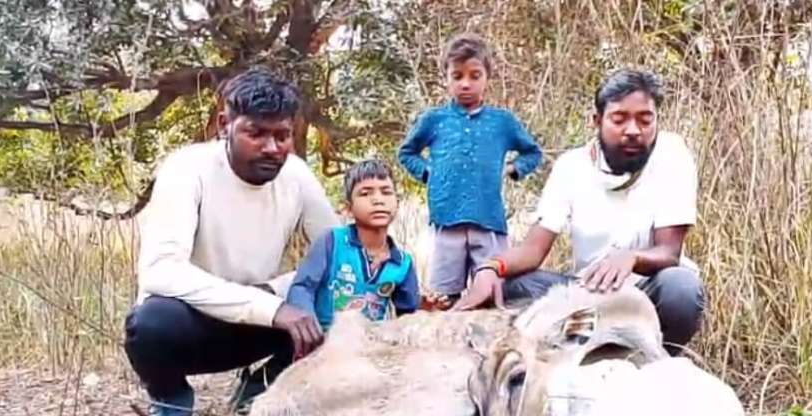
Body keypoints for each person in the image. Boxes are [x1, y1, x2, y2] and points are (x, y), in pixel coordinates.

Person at [123, 67, 339, 416]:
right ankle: (172, 404)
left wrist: (282, 292)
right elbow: (160, 271)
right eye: (256, 133)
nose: (272, 148)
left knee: (339, 301)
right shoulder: (187, 168)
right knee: (149, 323)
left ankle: (264, 387)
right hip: (193, 322)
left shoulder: (296, 175)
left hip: (265, 324)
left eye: (282, 135)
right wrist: (272, 308)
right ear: (225, 125)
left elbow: (338, 254)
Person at [455, 69, 707, 356]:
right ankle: (551, 357)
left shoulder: (672, 154)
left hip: (648, 291)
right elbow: (533, 250)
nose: (633, 130)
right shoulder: (571, 166)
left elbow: (669, 252)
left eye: (645, 120)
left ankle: (656, 360)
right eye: (619, 119)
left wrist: (632, 258)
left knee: (681, 288)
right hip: (589, 293)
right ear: (597, 121)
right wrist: (491, 268)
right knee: (509, 286)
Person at [397, 33, 542, 308]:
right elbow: (406, 152)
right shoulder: (434, 120)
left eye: (475, 76)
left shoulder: (502, 122)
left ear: (487, 77)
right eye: (457, 76)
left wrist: (514, 169)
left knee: (495, 295)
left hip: (489, 222)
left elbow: (533, 153)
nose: (466, 83)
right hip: (446, 222)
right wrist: (427, 172)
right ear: (446, 78)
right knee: (443, 299)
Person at [286, 159, 420, 337]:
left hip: (370, 345)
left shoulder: (402, 264)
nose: (378, 200)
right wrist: (308, 330)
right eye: (365, 193)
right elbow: (302, 287)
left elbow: (409, 316)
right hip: (323, 342)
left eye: (386, 192)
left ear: (397, 203)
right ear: (348, 208)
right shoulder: (331, 242)